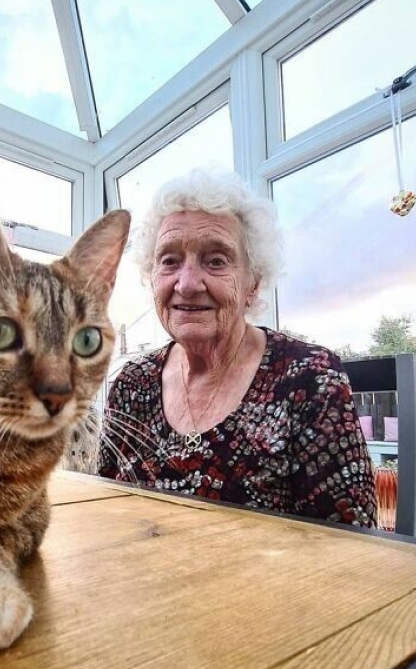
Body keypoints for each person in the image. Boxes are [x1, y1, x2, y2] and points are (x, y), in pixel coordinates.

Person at [97, 168, 376, 526]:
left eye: (216, 261)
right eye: (169, 260)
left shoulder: (311, 378)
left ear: (253, 284)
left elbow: (349, 541)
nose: (187, 283)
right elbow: (104, 507)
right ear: (150, 277)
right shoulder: (132, 384)